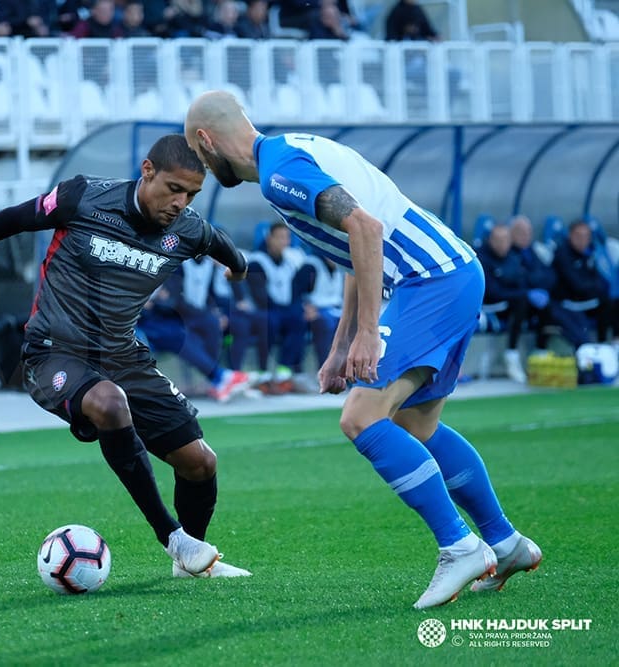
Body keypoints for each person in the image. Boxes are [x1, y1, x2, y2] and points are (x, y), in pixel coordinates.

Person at [185, 91, 541, 608]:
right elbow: (356, 250)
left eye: (198, 158)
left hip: (428, 281)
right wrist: (340, 347)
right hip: (452, 274)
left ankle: (459, 546)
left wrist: (369, 332)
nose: (202, 166)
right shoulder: (289, 155)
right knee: (414, 428)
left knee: (360, 417)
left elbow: (366, 230)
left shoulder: (282, 169)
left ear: (205, 140)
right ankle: (505, 544)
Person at [0, 134, 251, 578]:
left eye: (192, 194)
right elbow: (13, 219)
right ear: (148, 171)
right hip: (52, 353)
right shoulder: (83, 197)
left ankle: (191, 563)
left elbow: (220, 244)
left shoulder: (187, 228)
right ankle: (173, 538)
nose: (181, 202)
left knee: (200, 463)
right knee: (109, 403)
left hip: (123, 356)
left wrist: (237, 266)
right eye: (175, 189)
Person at [137, 261, 251, 401]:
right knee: (179, 334)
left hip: (157, 318)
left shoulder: (204, 267)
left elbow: (169, 298)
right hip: (134, 324)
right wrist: (144, 303)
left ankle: (219, 380)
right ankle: (220, 377)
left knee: (210, 325)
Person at [476, 224, 551, 383]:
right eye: (498, 240)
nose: (502, 244)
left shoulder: (514, 258)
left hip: (513, 303)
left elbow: (522, 281)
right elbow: (493, 292)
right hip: (492, 307)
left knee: (545, 305)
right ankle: (511, 354)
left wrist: (529, 292)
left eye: (505, 240)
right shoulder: (482, 259)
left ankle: (541, 352)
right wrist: (525, 293)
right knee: (522, 301)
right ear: (490, 240)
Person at [246, 221, 314, 393]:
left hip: (283, 308)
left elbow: (295, 290)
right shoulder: (256, 261)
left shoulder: (290, 261)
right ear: (269, 239)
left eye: (287, 238)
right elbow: (260, 296)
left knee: (298, 319)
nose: (285, 242)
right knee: (270, 320)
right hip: (263, 309)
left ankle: (285, 371)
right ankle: (263, 374)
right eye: (280, 237)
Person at [551, 219, 613, 349]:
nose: (582, 240)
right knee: (583, 340)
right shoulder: (562, 254)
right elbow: (577, 285)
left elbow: (601, 282)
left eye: (586, 237)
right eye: (578, 236)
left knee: (611, 302)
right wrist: (594, 286)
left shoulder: (589, 255)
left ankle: (606, 346)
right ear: (570, 236)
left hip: (586, 301)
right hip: (567, 305)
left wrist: (594, 286)